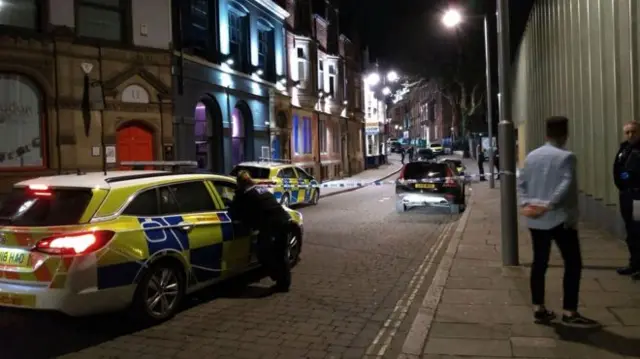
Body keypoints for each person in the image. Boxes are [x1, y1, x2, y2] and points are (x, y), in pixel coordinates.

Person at [518, 116, 597, 326]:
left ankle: (538, 308)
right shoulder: (567, 157)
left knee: (539, 263)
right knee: (573, 263)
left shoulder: (532, 156)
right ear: (564, 135)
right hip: (560, 219)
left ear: (546, 134)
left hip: (535, 218)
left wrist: (526, 204)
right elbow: (566, 184)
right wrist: (549, 204)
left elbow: (521, 182)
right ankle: (570, 312)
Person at [228, 171, 292, 292]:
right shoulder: (259, 189)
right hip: (284, 221)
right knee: (281, 255)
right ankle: (283, 284)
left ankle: (278, 279)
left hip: (273, 226)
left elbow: (236, 210)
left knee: (264, 254)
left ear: (241, 184)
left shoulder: (247, 195)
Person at [613, 121, 640, 279]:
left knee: (638, 230)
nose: (630, 135)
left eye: (634, 132)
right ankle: (634, 263)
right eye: (628, 132)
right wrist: (622, 183)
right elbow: (619, 169)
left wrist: (625, 177)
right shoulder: (624, 148)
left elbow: (630, 173)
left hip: (638, 196)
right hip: (626, 195)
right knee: (630, 230)